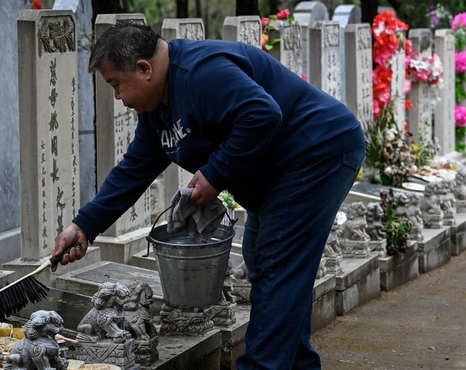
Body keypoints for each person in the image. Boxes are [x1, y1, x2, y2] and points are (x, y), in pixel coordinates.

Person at [51, 23, 365, 369]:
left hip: (316, 154)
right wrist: (84, 226)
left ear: (144, 69)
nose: (118, 97)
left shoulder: (202, 72)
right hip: (281, 171)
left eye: (116, 84)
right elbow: (134, 169)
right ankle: (298, 363)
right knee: (266, 263)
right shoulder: (158, 110)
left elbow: (262, 113)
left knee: (276, 266)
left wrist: (215, 174)